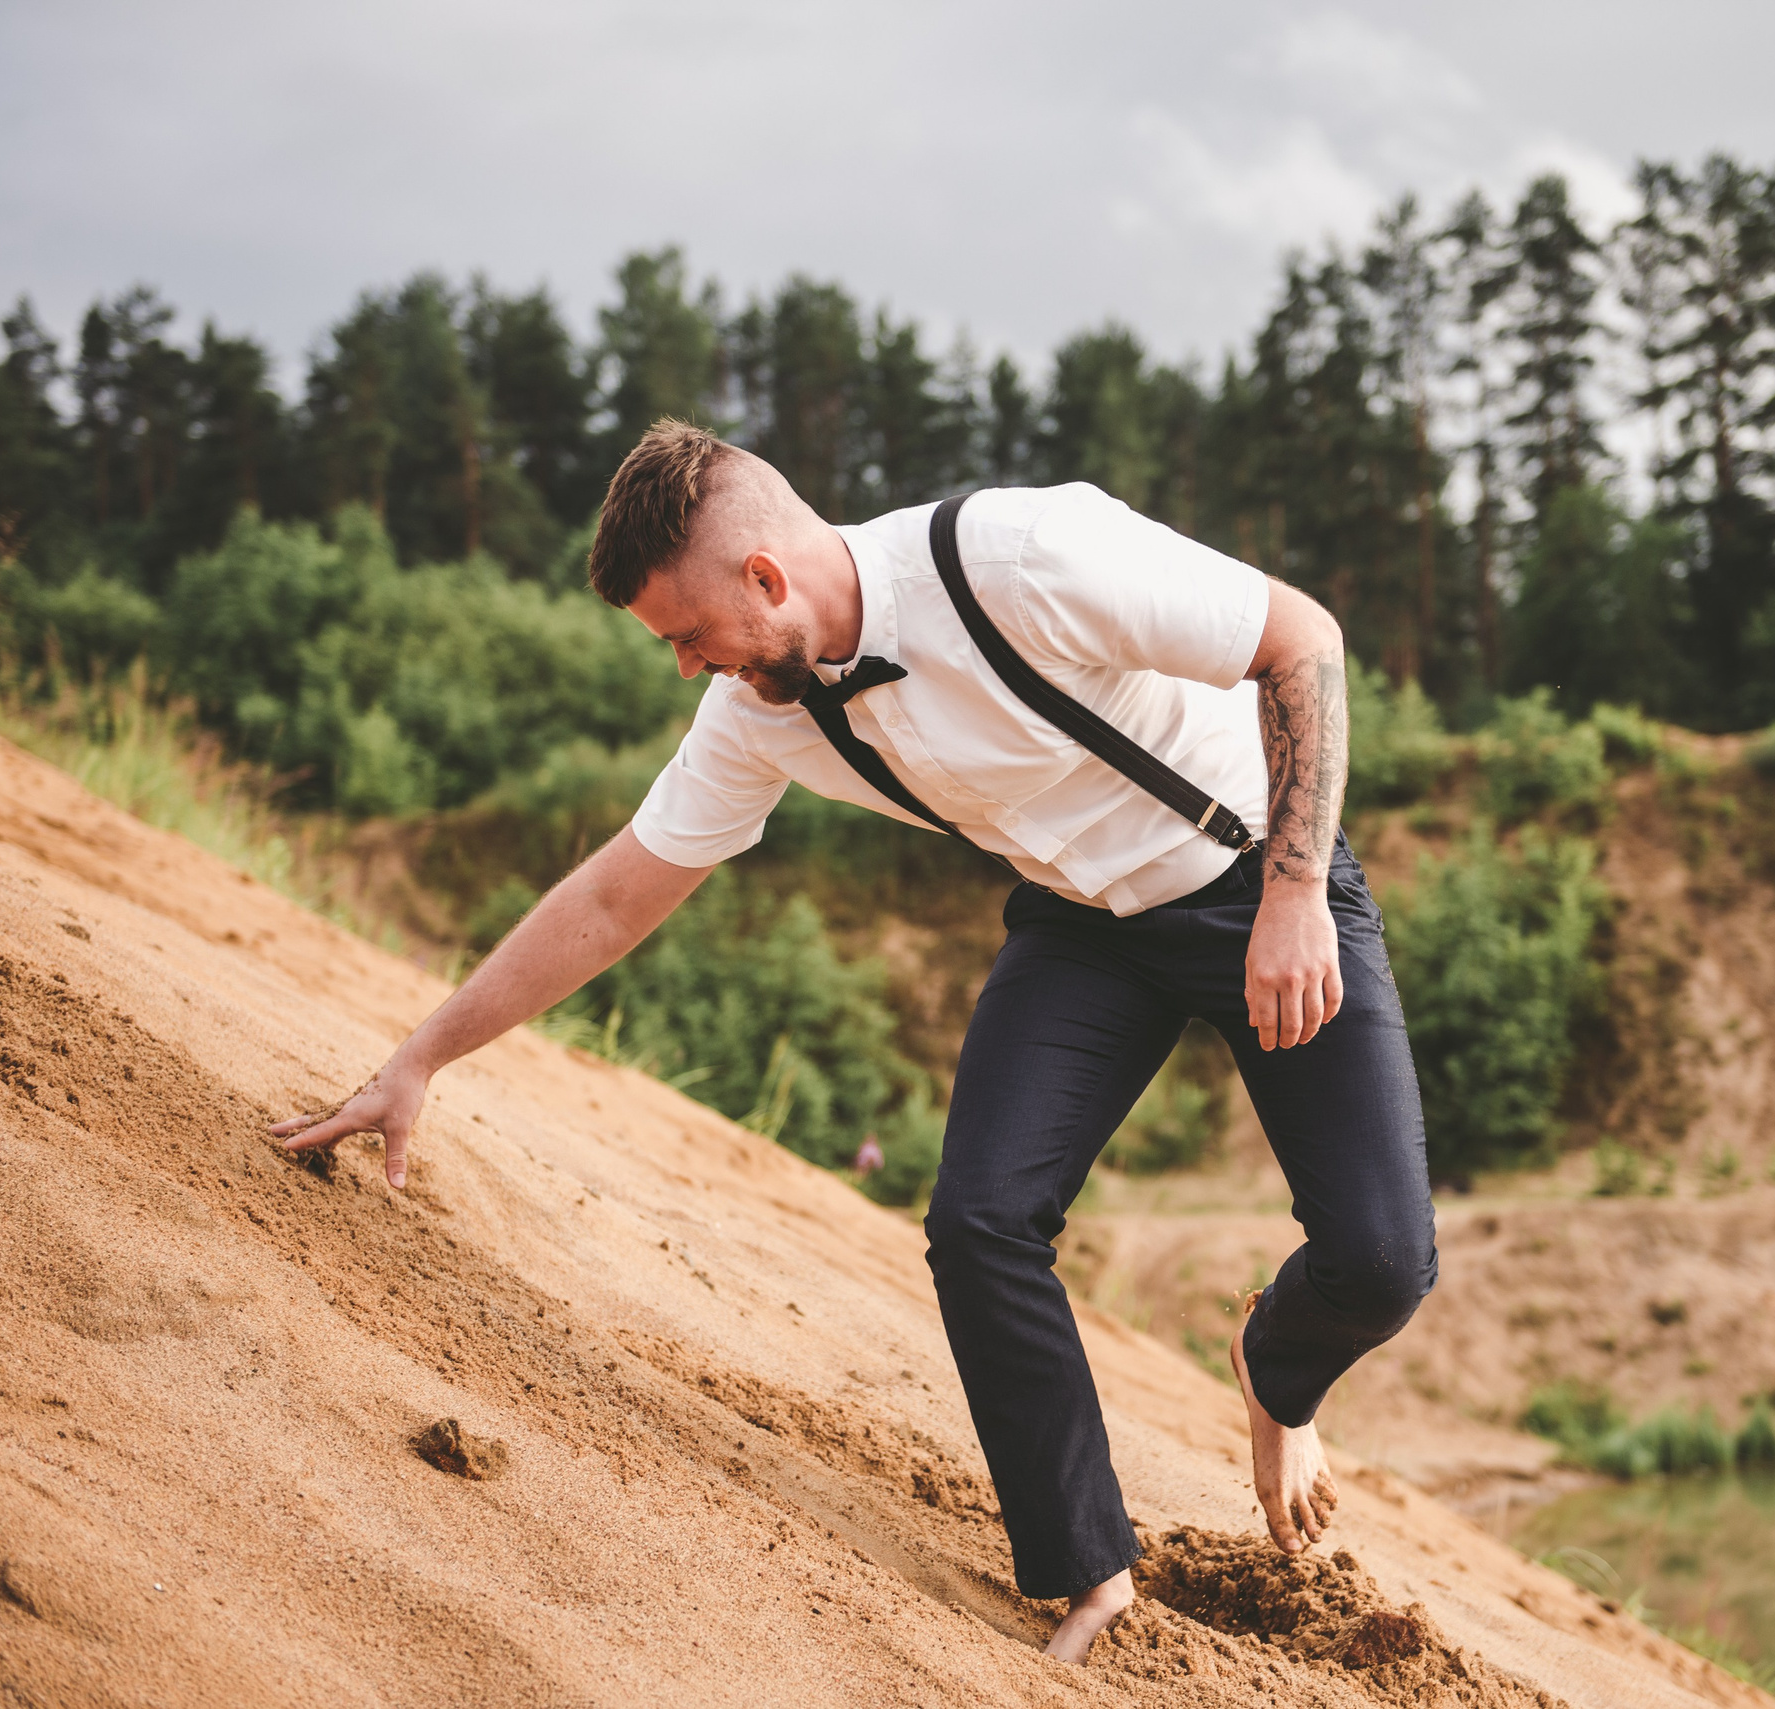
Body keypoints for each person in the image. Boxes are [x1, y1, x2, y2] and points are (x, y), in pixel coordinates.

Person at [270, 421, 1437, 1664]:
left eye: (686, 634)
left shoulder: (1023, 554)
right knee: (979, 1222)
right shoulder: (761, 707)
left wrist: (1297, 886)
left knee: (1379, 1264)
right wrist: (420, 1058)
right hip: (1084, 929)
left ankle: (1276, 1361)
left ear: (766, 580)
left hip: (1257, 877)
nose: (684, 668)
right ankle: (1085, 1565)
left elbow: (1300, 635)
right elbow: (617, 893)